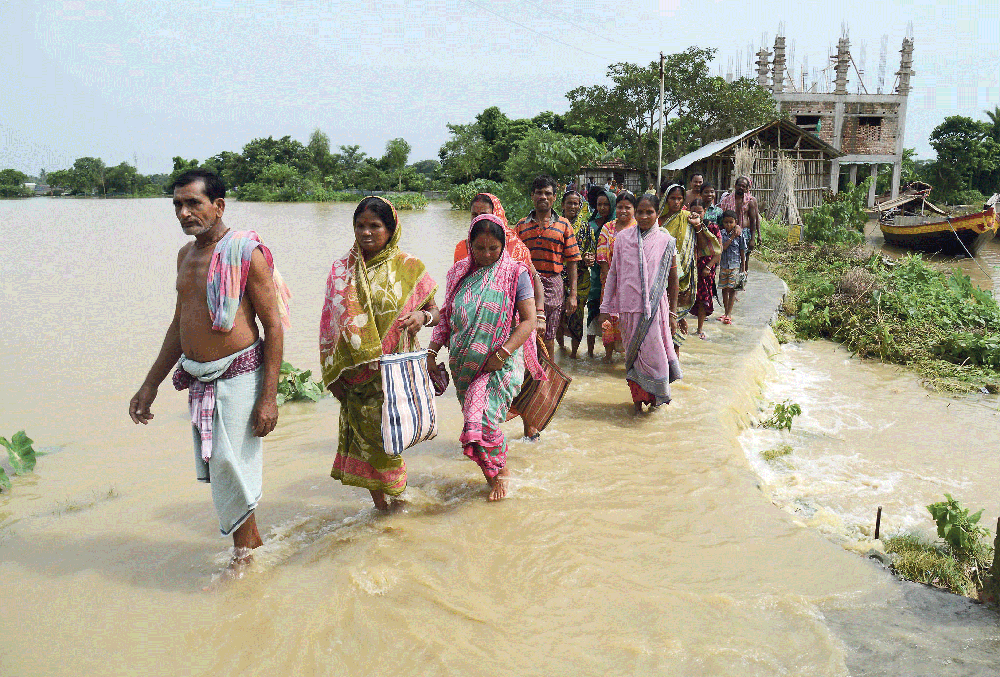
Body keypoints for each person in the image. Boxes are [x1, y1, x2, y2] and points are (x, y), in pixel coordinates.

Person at [128, 168, 290, 573]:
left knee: (230, 469)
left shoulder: (245, 252)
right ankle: (248, 553)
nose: (184, 213)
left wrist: (269, 398)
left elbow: (273, 326)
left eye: (193, 203)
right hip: (200, 379)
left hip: (239, 378)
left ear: (218, 206)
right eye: (177, 205)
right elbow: (180, 323)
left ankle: (245, 561)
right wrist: (150, 384)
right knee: (223, 471)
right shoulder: (185, 256)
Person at [319, 197, 439, 511]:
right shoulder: (341, 270)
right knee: (369, 442)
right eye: (360, 226)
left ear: (391, 228)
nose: (366, 232)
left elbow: (437, 313)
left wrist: (421, 318)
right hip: (357, 375)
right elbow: (330, 325)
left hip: (394, 372)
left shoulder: (410, 267)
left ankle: (396, 501)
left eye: (375, 226)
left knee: (387, 441)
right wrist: (332, 373)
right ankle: (384, 506)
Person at [428, 215, 546, 501]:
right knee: (476, 424)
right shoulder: (458, 273)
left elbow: (528, 321)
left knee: (480, 422)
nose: (486, 255)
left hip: (500, 363)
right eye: (479, 248)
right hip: (464, 365)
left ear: (503, 244)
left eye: (493, 248)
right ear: (470, 245)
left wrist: (502, 353)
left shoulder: (516, 273)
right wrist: (431, 352)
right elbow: (447, 315)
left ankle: (501, 474)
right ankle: (492, 475)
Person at [599, 192, 682, 414]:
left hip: (655, 311)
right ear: (635, 212)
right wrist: (605, 308)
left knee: (656, 358)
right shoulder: (622, 239)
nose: (645, 216)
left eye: (650, 212)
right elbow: (614, 275)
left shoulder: (666, 241)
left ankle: (655, 403)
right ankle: (636, 406)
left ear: (657, 214)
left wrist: (673, 314)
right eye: (641, 212)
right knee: (633, 358)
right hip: (628, 309)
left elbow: (673, 279)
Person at [514, 175, 581, 360]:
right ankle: (528, 378)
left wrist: (573, 295)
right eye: (539, 193)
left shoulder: (564, 225)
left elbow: (573, 260)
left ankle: (547, 380)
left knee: (549, 336)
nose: (543, 197)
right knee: (526, 334)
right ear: (532, 196)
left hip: (553, 284)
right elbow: (513, 262)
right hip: (526, 285)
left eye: (547, 193)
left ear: (554, 198)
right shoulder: (521, 225)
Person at [454, 193, 544, 324]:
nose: (479, 219)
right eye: (474, 215)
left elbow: (533, 278)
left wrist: (540, 313)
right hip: (469, 320)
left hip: (507, 321)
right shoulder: (464, 247)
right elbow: (456, 288)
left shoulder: (516, 247)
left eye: (484, 213)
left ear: (495, 214)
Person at [596, 190, 638, 362]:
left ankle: (629, 356)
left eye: (627, 207)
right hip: (611, 281)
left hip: (633, 283)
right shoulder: (608, 228)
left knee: (629, 319)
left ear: (634, 209)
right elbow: (602, 256)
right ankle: (607, 356)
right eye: (620, 207)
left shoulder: (638, 228)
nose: (623, 211)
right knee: (608, 318)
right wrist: (607, 282)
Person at [658, 184, 700, 334]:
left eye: (679, 199)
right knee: (661, 316)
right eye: (672, 198)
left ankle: (675, 354)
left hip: (683, 273)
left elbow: (704, 242)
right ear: (666, 199)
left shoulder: (688, 217)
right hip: (661, 273)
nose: (676, 202)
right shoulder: (658, 220)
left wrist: (697, 225)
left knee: (676, 323)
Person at [557, 190, 594, 358]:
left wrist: (588, 258)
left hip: (580, 280)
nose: (572, 206)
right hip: (556, 278)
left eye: (576, 203)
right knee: (557, 318)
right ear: (563, 205)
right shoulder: (555, 224)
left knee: (577, 317)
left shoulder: (586, 227)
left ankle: (573, 354)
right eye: (569, 203)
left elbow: (591, 250)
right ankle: (560, 348)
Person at [585, 188, 616, 358]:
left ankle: (608, 356)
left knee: (611, 317)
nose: (602, 208)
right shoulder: (591, 225)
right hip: (595, 276)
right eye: (599, 205)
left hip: (614, 275)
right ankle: (589, 354)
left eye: (606, 204)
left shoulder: (618, 226)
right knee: (592, 311)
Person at [687, 199, 721, 339]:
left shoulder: (712, 227)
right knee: (684, 296)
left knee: (702, 299)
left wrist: (708, 266)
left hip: (705, 268)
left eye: (699, 212)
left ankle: (700, 329)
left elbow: (718, 250)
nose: (696, 214)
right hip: (689, 265)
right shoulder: (686, 227)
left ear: (705, 211)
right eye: (693, 211)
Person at [719, 175, 760, 276]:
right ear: (735, 186)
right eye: (739, 185)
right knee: (730, 257)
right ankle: (730, 279)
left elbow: (753, 220)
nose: (741, 188)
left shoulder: (750, 201)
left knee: (745, 258)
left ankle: (742, 279)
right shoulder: (727, 200)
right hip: (729, 233)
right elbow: (722, 218)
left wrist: (753, 238)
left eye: (744, 186)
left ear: (747, 189)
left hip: (745, 232)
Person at [717, 209, 747, 324]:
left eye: (731, 222)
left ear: (735, 222)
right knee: (724, 290)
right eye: (726, 222)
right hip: (724, 265)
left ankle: (729, 313)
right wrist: (732, 237)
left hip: (735, 265)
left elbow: (742, 252)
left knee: (732, 290)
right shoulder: (722, 234)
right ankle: (725, 312)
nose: (728, 225)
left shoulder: (740, 235)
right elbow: (722, 248)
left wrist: (743, 269)